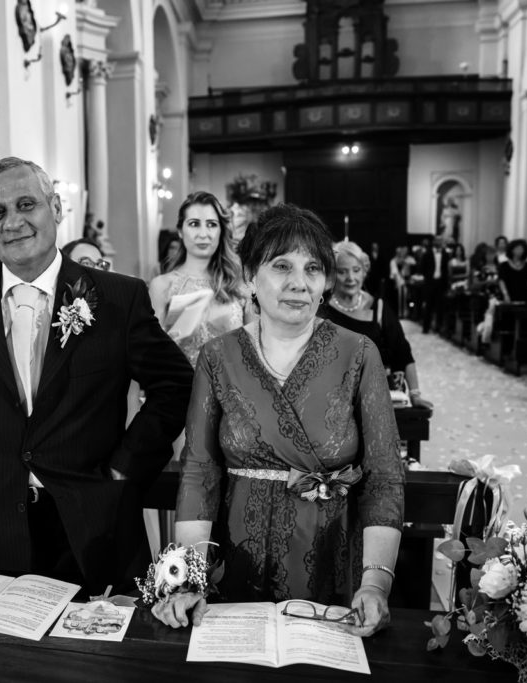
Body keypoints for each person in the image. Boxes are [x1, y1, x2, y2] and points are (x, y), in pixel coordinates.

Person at [0, 157, 193, 596]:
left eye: (26, 205)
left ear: (55, 208)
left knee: (101, 662)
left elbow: (177, 385)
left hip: (93, 526)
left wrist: (126, 466)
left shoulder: (118, 299)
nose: (13, 222)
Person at [155, 204, 404, 637]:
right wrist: (189, 577)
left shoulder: (359, 353)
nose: (298, 283)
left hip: (329, 553)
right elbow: (200, 472)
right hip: (236, 554)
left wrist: (376, 583)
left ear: (325, 282)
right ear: (251, 275)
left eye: (313, 268)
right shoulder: (218, 357)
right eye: (281, 266)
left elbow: (384, 475)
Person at [322, 240, 432, 409]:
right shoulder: (321, 312)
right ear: (332, 275)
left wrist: (415, 394)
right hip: (332, 402)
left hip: (376, 399)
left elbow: (402, 351)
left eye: (356, 270)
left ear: (364, 272)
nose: (351, 278)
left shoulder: (379, 308)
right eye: (342, 272)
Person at [149, 191, 251, 367]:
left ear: (221, 230)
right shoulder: (162, 286)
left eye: (211, 224)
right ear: (180, 231)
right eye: (194, 224)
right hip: (178, 390)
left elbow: (253, 355)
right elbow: (150, 355)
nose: (203, 234)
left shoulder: (240, 286)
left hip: (229, 390)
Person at [418, 235, 449, 333]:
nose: (439, 242)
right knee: (428, 306)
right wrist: (428, 277)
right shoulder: (427, 253)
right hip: (430, 283)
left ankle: (438, 328)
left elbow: (446, 269)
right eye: (437, 240)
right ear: (434, 242)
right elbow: (422, 268)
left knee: (440, 307)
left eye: (440, 240)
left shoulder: (445, 254)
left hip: (441, 283)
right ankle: (426, 328)